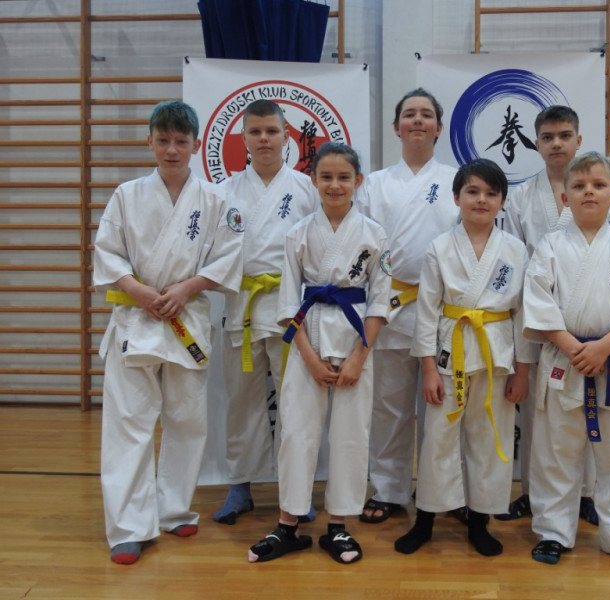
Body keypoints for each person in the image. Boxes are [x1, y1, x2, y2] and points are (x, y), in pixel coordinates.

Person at [93, 100, 244, 565]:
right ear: (149, 142)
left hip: (186, 319)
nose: (172, 150)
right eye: (163, 141)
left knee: (187, 419)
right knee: (129, 423)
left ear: (196, 144)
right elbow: (107, 252)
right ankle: (128, 527)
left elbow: (229, 256)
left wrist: (186, 289)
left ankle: (174, 508)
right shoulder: (127, 195)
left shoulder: (216, 200)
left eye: (181, 141)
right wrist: (138, 291)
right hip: (136, 319)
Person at [247, 142, 391, 565]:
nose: (334, 185)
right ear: (313, 181)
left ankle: (339, 525)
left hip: (355, 338)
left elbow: (380, 302)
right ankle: (287, 524)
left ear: (358, 181)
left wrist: (359, 357)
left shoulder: (374, 234)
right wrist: (308, 357)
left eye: (344, 177)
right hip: (306, 338)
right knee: (296, 431)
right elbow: (288, 303)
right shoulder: (298, 233)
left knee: (350, 434)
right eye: (326, 177)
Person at [523, 152, 610, 568]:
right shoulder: (549, 246)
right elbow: (538, 303)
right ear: (565, 198)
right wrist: (573, 347)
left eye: (598, 186)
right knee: (556, 450)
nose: (589, 192)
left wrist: (603, 347)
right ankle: (552, 531)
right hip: (562, 359)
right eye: (579, 186)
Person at [394, 158, 533, 557]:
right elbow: (426, 311)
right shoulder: (439, 247)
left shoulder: (515, 250)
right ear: (456, 198)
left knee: (489, 437)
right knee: (438, 438)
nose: (481, 200)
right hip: (448, 353)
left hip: (497, 354)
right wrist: (427, 369)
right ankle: (425, 519)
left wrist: (523, 371)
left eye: (491, 193)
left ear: (502, 202)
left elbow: (523, 314)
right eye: (472, 191)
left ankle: (479, 520)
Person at [497, 105, 610, 525]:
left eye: (565, 136)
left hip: (587, 320)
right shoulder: (520, 196)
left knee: (587, 404)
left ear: (578, 140)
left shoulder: (594, 190)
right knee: (538, 411)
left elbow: (609, 253)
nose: (556, 144)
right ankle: (533, 493)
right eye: (547, 137)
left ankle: (584, 494)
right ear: (536, 143)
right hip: (537, 315)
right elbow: (514, 258)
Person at [356, 88, 460, 525]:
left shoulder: (458, 180)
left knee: (443, 406)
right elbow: (362, 244)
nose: (418, 120)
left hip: (444, 308)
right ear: (396, 127)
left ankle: (444, 492)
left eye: (426, 115)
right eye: (410, 114)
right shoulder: (374, 184)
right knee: (389, 405)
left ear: (439, 127)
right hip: (391, 304)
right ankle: (388, 489)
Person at [213, 99, 318, 526]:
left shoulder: (307, 188)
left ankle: (298, 490)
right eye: (255, 132)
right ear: (243, 138)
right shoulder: (223, 191)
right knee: (241, 400)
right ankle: (240, 485)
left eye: (272, 131)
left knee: (295, 401)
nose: (263, 139)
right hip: (241, 306)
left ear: (286, 135)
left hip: (289, 308)